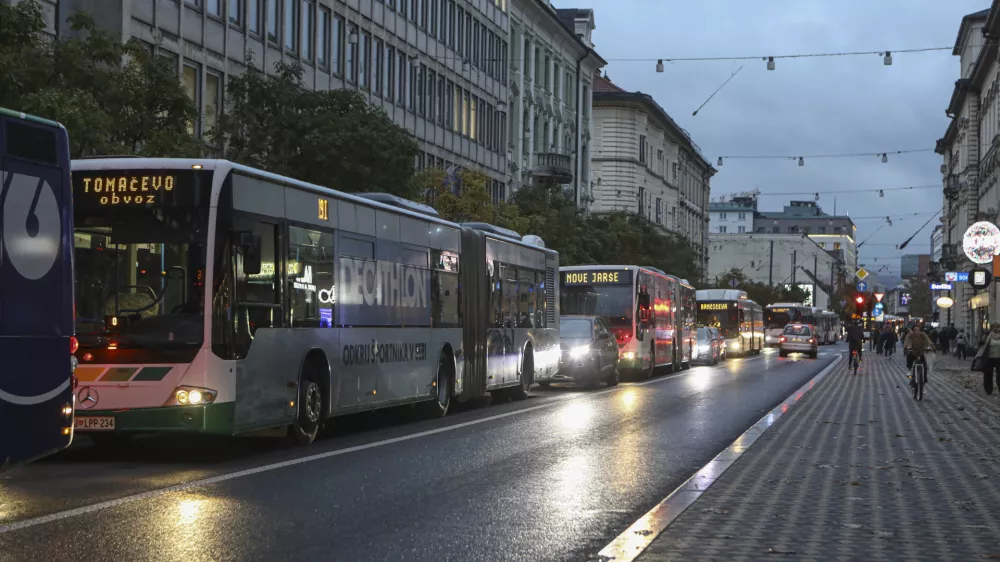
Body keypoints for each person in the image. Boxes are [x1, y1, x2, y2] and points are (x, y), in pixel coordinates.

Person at [975, 323, 1000, 394]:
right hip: (989, 358)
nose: (996, 329)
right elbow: (980, 343)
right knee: (988, 374)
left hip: (999, 358)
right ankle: (988, 390)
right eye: (995, 327)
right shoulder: (987, 335)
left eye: (998, 327)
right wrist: (983, 338)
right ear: (992, 328)